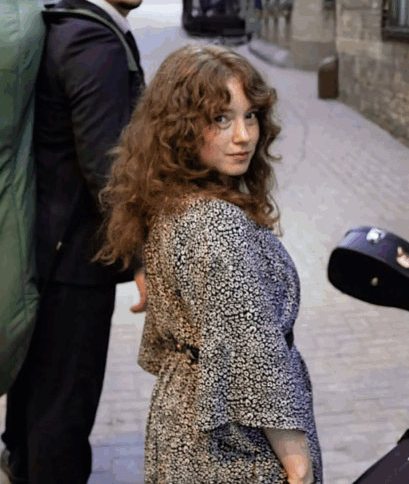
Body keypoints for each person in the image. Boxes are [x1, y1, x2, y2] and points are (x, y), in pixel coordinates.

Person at [93, 45, 322, 484]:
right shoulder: (216, 224)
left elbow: (166, 337)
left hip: (184, 416)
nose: (243, 136)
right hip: (237, 442)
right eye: (220, 119)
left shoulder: (169, 200)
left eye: (249, 115)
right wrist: (297, 463)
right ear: (179, 129)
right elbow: (258, 358)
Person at [0, 0, 151, 483]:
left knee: (37, 380)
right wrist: (139, 259)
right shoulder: (93, 39)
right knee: (67, 399)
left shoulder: (70, 22)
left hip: (44, 241)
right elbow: (105, 165)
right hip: (74, 256)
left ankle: (19, 460)